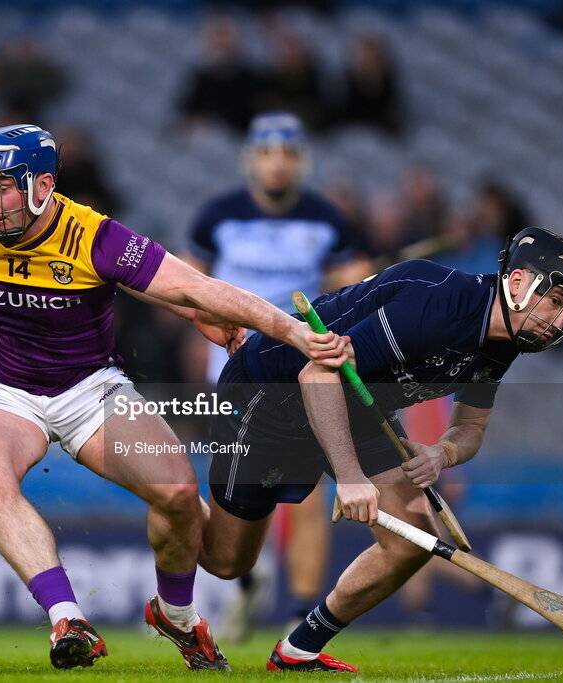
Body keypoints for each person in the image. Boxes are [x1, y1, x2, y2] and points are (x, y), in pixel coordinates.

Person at [0, 123, 336, 671]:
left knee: (179, 494)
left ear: (41, 186)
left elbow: (199, 287)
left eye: (1, 188)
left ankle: (176, 616)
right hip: (0, 390)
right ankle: (67, 619)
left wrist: (289, 331)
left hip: (90, 390)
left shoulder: (94, 237)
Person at [198, 227, 563, 671]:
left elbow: (470, 425)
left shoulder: (504, 343)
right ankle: (177, 509)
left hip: (358, 404)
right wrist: (349, 477)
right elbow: (316, 375)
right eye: (557, 301)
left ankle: (297, 651)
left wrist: (441, 454)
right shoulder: (436, 305)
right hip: (272, 394)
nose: (560, 321)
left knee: (412, 539)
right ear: (519, 282)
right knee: (227, 561)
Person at [185, 111, 367, 641]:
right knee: (229, 494)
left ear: (301, 160)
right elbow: (190, 291)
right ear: (252, 159)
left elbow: (344, 286)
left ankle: (299, 609)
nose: (278, 164)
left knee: (306, 494)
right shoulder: (215, 218)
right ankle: (244, 582)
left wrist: (356, 274)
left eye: (288, 153)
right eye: (268, 152)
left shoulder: (328, 220)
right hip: (231, 375)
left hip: (294, 374)